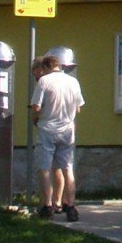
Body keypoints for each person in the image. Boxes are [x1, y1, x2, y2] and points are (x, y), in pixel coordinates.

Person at [29, 46, 84, 222]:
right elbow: (79, 107)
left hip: (48, 128)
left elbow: (36, 107)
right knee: (68, 168)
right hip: (67, 129)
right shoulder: (73, 82)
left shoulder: (44, 82)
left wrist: (35, 119)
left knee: (44, 168)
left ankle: (47, 206)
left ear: (45, 68)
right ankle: (71, 206)